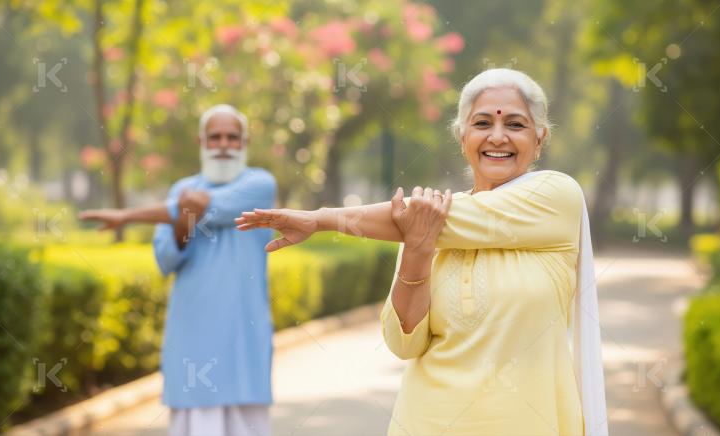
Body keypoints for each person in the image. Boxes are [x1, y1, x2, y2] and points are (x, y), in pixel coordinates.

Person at [236, 68, 609, 436]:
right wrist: (417, 248)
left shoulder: (557, 197)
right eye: (482, 124)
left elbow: (426, 219)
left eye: (515, 125)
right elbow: (404, 343)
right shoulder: (423, 226)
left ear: (540, 138)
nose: (498, 137)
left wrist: (319, 219)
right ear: (461, 137)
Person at [80, 104, 277, 436]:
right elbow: (166, 260)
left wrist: (128, 216)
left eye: (233, 137)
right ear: (202, 144)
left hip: (244, 338)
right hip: (193, 337)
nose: (224, 145)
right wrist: (183, 219)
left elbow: (213, 206)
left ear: (244, 144)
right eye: (215, 138)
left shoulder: (259, 185)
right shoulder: (180, 190)